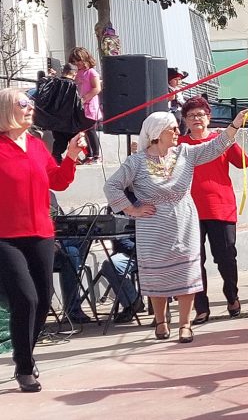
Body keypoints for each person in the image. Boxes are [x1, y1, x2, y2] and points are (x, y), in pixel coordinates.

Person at [104, 108, 248, 344]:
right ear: (156, 133)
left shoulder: (185, 153)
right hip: (152, 225)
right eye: (171, 128)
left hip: (184, 220)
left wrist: (235, 124)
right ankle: (162, 321)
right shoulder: (136, 162)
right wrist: (132, 209)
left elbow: (216, 146)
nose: (177, 131)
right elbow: (112, 186)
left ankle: (185, 324)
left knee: (186, 271)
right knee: (157, 273)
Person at [0, 88, 85, 392]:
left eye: (31, 104)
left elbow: (58, 181)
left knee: (44, 298)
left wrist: (71, 157)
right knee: (26, 298)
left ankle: (25, 356)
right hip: (5, 237)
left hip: (40, 233)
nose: (30, 108)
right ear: (7, 109)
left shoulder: (36, 145)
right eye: (23, 104)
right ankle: (24, 367)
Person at [179, 96, 248, 324]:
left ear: (209, 117)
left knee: (226, 257)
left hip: (220, 207)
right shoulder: (179, 145)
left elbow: (243, 163)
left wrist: (231, 139)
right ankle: (201, 307)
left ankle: (232, 296)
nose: (197, 119)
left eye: (201, 114)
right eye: (191, 116)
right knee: (194, 260)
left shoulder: (221, 139)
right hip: (189, 211)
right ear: (185, 121)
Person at [33, 63, 91, 163]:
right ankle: (73, 158)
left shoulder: (53, 83)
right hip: (70, 120)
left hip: (55, 120)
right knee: (75, 140)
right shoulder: (74, 86)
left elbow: (43, 95)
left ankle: (57, 158)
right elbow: (78, 104)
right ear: (74, 74)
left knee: (59, 141)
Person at [98, 235, 145, 324]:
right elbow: (121, 239)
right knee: (110, 265)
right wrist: (137, 248)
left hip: (156, 251)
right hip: (131, 252)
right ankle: (132, 302)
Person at [67, 47, 102, 164]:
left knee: (90, 131)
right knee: (82, 132)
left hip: (90, 106)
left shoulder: (91, 72)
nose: (77, 63)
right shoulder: (77, 73)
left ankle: (96, 155)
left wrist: (85, 98)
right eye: (75, 61)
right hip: (80, 107)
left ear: (85, 59)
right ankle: (89, 155)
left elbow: (97, 88)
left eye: (79, 60)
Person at [168, 68, 188, 133]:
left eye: (179, 79)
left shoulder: (179, 90)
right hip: (170, 110)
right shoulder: (166, 88)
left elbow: (181, 101)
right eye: (175, 79)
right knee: (177, 118)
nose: (178, 82)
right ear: (169, 80)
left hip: (180, 109)